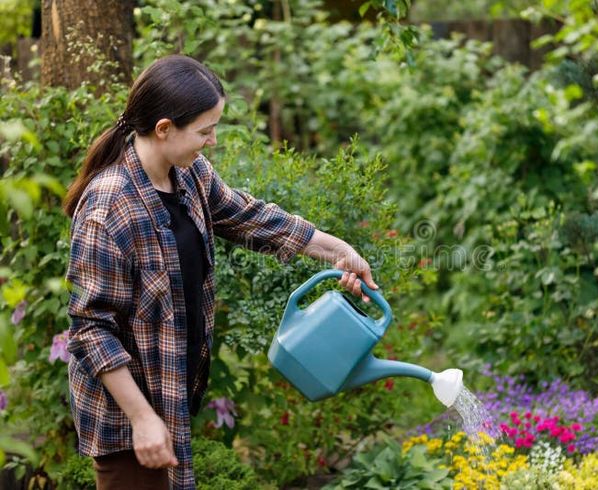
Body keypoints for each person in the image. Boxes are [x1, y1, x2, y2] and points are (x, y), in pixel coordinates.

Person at [62, 54, 378, 490]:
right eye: (205, 130)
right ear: (164, 129)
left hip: (169, 397)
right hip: (127, 423)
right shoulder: (108, 207)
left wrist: (340, 251)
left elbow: (253, 219)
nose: (212, 142)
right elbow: (92, 329)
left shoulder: (187, 177)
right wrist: (143, 419)